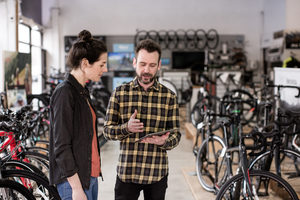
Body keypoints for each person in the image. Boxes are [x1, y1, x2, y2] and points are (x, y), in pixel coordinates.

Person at [103, 39, 181, 200]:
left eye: (152, 65)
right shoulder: (120, 93)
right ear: (134, 62)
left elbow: (176, 135)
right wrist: (127, 128)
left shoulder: (169, 97)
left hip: (156, 173)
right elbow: (107, 131)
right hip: (127, 173)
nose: (147, 70)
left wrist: (163, 142)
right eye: (142, 64)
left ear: (159, 65)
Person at [49, 30, 107, 200]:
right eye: (101, 64)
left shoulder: (82, 91)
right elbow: (61, 145)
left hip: (89, 176)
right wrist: (75, 188)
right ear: (85, 63)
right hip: (73, 182)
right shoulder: (65, 93)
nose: (105, 69)